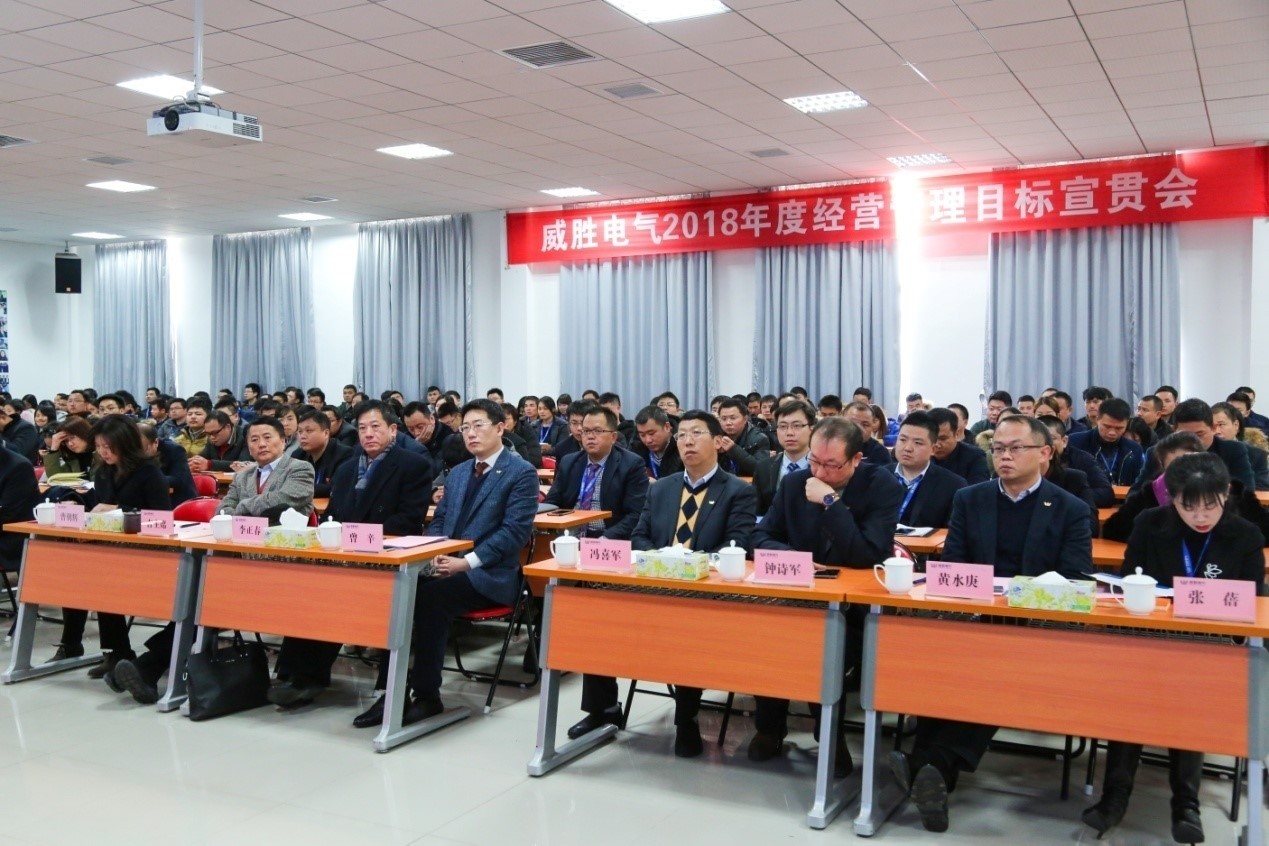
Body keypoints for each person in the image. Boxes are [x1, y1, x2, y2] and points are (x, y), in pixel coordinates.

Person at [888, 415, 1093, 833]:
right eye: (998, 449)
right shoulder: (970, 498)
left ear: (1044, 453)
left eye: (1016, 448)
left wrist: (1015, 597)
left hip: (1033, 627)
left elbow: (1074, 581)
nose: (1004, 456)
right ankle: (935, 770)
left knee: (994, 668)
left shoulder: (1070, 508)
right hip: (972, 617)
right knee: (943, 659)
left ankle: (929, 764)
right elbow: (954, 565)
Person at [1082, 452, 1265, 843]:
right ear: (1172, 499)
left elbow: (1252, 602)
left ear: (1226, 493)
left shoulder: (1246, 535)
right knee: (1131, 698)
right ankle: (1114, 798)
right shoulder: (1150, 523)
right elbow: (1129, 582)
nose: (1201, 516)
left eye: (1210, 505)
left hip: (1212, 650)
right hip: (1151, 642)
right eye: (1189, 506)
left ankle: (1186, 804)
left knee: (1191, 698)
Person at [353, 399, 538, 728]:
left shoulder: (521, 472)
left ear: (500, 428)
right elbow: (439, 520)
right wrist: (433, 553)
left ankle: (427, 696)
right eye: (465, 428)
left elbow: (513, 533)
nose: (470, 434)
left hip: (489, 576)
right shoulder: (460, 472)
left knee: (429, 599)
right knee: (398, 590)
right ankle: (391, 691)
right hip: (445, 566)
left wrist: (465, 563)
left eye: (478, 426)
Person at [111, 417, 315, 704]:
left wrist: (240, 509)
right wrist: (240, 511)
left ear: (283, 440)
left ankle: (147, 666)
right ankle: (147, 669)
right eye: (254, 439)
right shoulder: (243, 476)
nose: (261, 444)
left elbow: (283, 500)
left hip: (281, 567)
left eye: (268, 437)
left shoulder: (300, 468)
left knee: (207, 601)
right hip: (237, 564)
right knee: (198, 600)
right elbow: (222, 509)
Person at [596, 410, 756, 757]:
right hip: (654, 583)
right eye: (682, 435)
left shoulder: (737, 491)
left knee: (687, 625)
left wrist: (688, 565)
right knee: (596, 617)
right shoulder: (662, 488)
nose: (687, 441)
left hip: (705, 593)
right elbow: (639, 536)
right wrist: (662, 560)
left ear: (718, 442)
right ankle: (600, 711)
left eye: (696, 433)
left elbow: (737, 545)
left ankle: (686, 720)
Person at [747, 416, 901, 775]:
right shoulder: (795, 482)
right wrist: (793, 558)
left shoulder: (882, 486)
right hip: (800, 594)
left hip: (854, 606)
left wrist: (831, 501)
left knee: (824, 646)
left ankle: (829, 733)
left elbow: (866, 554)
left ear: (856, 459)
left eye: (831, 465)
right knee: (767, 636)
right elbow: (760, 537)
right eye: (814, 460)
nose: (819, 471)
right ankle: (770, 728)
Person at [273, 401, 432, 710]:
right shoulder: (347, 468)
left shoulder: (413, 465)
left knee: (344, 593)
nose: (368, 434)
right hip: (345, 557)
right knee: (312, 590)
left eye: (375, 427)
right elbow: (333, 516)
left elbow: (408, 520)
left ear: (393, 430)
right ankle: (298, 676)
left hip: (388, 559)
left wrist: (357, 539)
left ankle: (384, 687)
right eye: (362, 428)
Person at [549, 406, 651, 743]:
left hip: (610, 554)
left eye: (596, 431)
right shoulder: (570, 462)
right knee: (568, 621)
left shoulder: (631, 464)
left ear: (613, 435)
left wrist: (601, 542)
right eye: (584, 431)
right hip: (570, 552)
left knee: (596, 628)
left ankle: (603, 708)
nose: (589, 437)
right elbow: (556, 502)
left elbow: (636, 515)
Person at [57, 416, 171, 678]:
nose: (103, 452)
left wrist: (121, 509)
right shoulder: (103, 472)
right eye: (98, 446)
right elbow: (102, 508)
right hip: (110, 546)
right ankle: (98, 648)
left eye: (109, 447)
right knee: (75, 573)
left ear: (126, 444)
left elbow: (162, 518)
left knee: (102, 577)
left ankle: (118, 651)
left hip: (148, 550)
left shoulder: (148, 472)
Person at [1130, 398, 1256, 494]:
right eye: (1185, 435)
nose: (1193, 441)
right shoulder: (1157, 453)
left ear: (1213, 428)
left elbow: (1246, 492)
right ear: (1174, 430)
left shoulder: (1233, 451)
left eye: (1199, 434)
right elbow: (1135, 494)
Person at [891, 410, 965, 529]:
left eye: (917, 443)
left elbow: (953, 532)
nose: (908, 448)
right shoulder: (877, 477)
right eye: (903, 440)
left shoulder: (953, 485)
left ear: (933, 449)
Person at [752, 399, 814, 516]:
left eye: (796, 426)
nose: (789, 432)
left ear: (812, 429)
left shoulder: (824, 467)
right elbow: (757, 512)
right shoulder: (763, 467)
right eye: (783, 426)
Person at [1066, 398, 1144, 486]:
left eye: (1119, 428)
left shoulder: (1134, 449)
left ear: (1127, 423)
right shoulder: (1075, 442)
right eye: (1107, 426)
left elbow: (1138, 484)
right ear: (1097, 419)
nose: (1112, 433)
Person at [292, 407, 352, 499]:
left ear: (326, 433)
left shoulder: (344, 454)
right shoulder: (298, 455)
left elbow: (337, 488)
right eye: (300, 431)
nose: (302, 436)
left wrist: (299, 488)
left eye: (308, 431)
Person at [137, 421, 197, 506]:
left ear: (156, 442)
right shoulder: (130, 452)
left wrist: (148, 479)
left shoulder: (174, 450)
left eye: (143, 448)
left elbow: (178, 480)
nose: (139, 453)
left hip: (178, 501)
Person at [1212, 401, 1269, 491]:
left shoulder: (1257, 455)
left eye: (1221, 425)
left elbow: (1262, 487)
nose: (1216, 432)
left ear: (1236, 425)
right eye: (1212, 426)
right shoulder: (1203, 452)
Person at [929, 408, 990, 484]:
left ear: (956, 434)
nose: (937, 444)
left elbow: (979, 489)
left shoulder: (975, 457)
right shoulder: (920, 455)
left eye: (943, 439)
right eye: (932, 439)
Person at [716, 398, 770, 476]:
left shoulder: (760, 439)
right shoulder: (716, 437)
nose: (728, 423)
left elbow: (760, 470)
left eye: (733, 418)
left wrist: (734, 449)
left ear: (745, 419)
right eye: (724, 419)